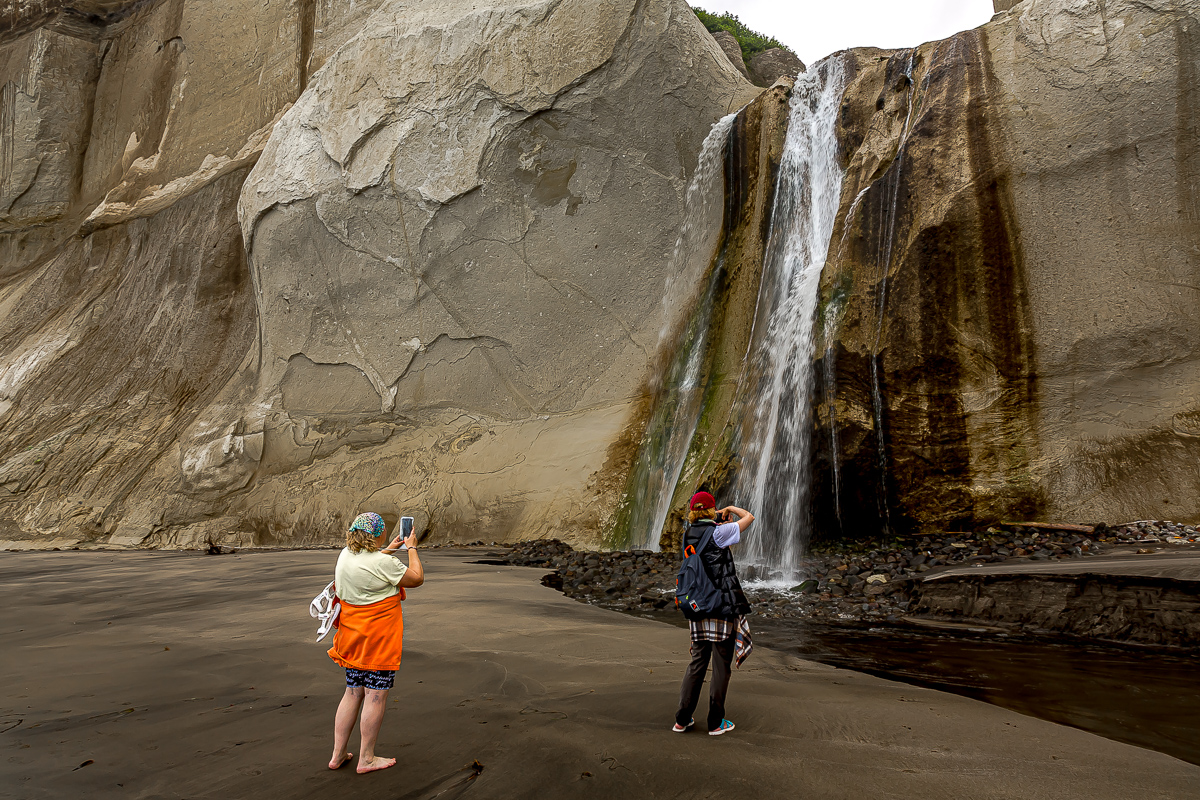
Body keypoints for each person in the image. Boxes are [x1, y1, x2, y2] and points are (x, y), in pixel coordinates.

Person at [327, 512, 424, 774]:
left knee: (352, 691)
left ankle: (337, 755)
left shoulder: (345, 555)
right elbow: (416, 578)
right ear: (376, 534)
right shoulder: (384, 565)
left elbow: (371, 562)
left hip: (351, 636)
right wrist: (411, 548)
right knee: (375, 696)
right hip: (378, 640)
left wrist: (392, 548)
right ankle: (366, 758)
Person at [673, 491, 754, 736]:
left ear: (692, 511)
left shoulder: (688, 534)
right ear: (712, 509)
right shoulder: (719, 533)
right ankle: (716, 722)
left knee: (697, 664)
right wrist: (730, 507)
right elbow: (749, 517)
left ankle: (682, 719)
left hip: (697, 606)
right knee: (721, 666)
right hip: (720, 606)